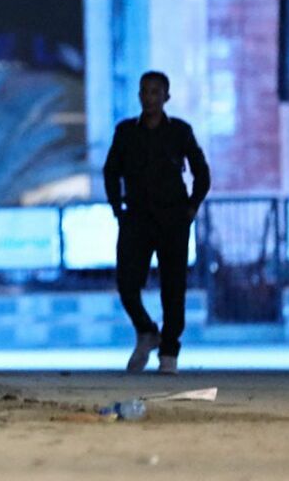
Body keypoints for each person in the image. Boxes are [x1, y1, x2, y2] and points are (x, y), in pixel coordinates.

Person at [103, 71, 211, 375]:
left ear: (166, 97)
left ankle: (169, 352)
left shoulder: (179, 131)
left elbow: (202, 173)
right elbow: (111, 171)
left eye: (155, 92)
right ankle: (147, 331)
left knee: (173, 288)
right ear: (139, 96)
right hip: (136, 217)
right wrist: (117, 209)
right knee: (126, 284)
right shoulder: (126, 132)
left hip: (173, 219)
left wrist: (191, 207)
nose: (149, 98)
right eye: (145, 92)